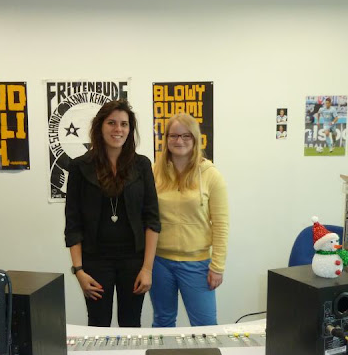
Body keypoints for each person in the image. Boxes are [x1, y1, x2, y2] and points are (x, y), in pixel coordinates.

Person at [64, 100, 160, 327]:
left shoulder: (142, 165)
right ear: (100, 126)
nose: (118, 129)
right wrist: (79, 270)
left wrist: (147, 269)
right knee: (98, 324)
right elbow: (73, 223)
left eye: (124, 124)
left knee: (131, 324)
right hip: (95, 261)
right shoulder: (80, 166)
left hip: (134, 261)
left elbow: (152, 219)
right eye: (112, 123)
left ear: (130, 129)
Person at [151, 113, 229, 327]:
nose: (179, 141)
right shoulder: (154, 172)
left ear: (195, 139)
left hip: (197, 264)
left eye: (186, 136)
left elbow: (221, 225)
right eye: (174, 135)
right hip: (159, 262)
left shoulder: (211, 175)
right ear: (166, 139)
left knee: (206, 326)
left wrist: (217, 266)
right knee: (163, 321)